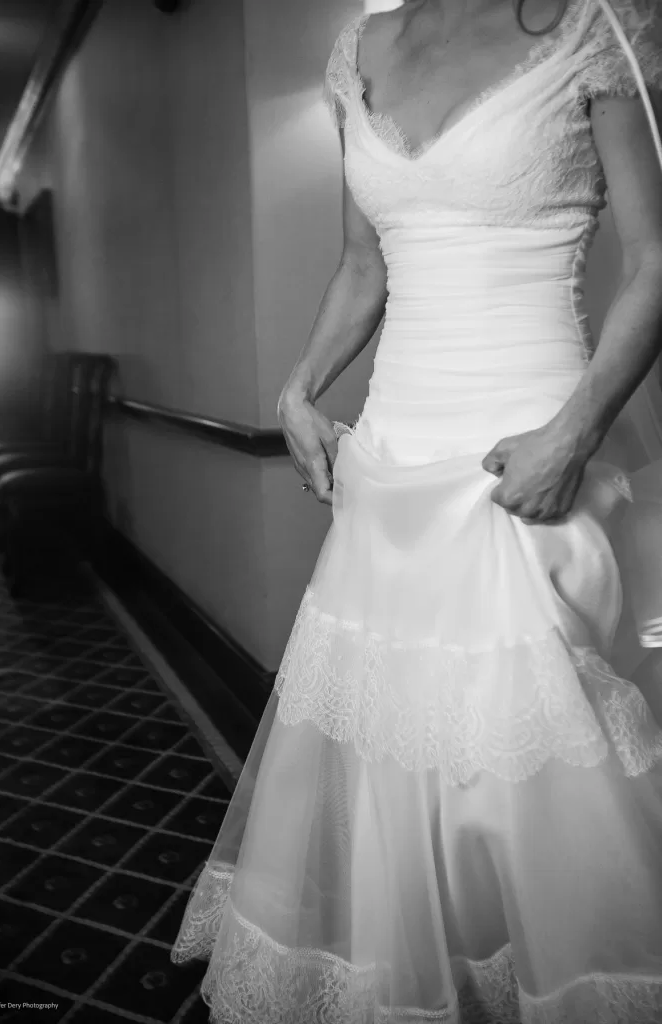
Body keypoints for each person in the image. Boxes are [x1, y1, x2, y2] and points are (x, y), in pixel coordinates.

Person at [172, 0, 662, 1020]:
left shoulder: (594, 25)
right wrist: (297, 391)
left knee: (525, 762)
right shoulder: (358, 46)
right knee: (389, 744)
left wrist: (571, 436)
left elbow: (657, 260)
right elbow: (364, 264)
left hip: (524, 452)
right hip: (387, 462)